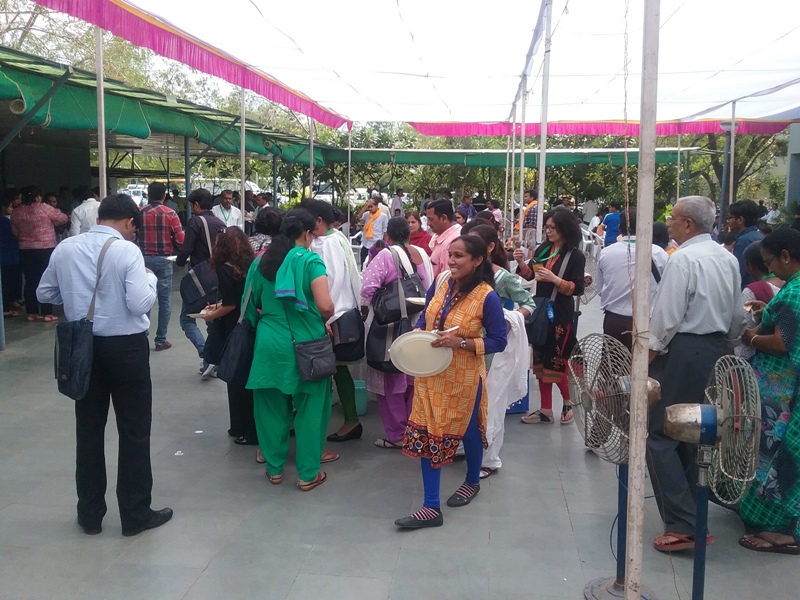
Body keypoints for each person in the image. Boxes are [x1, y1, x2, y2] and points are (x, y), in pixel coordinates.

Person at [36, 193, 172, 537]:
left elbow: (44, 294)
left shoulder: (65, 248)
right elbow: (139, 303)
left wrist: (76, 296)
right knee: (134, 431)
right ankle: (135, 514)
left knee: (88, 430)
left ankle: (90, 514)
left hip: (82, 348)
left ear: (99, 218)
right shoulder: (127, 251)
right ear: (129, 222)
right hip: (126, 350)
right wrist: (151, 279)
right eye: (134, 228)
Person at [647, 195, 746, 553]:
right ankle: (693, 514)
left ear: (688, 224)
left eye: (673, 218)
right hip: (715, 348)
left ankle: (683, 524)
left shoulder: (683, 258)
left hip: (684, 349)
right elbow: (737, 314)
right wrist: (728, 347)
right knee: (691, 432)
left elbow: (667, 315)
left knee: (660, 433)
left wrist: (647, 355)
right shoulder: (726, 257)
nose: (669, 224)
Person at [395, 235, 507, 528]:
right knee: (428, 432)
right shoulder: (442, 282)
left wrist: (461, 343)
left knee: (468, 431)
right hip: (431, 373)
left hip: (464, 378)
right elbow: (427, 316)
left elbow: (499, 341)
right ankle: (431, 507)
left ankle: (472, 481)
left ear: (477, 260)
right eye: (451, 255)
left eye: (459, 256)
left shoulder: (487, 296)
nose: (452, 261)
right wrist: (419, 335)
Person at [242, 209, 338, 490]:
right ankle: (308, 474)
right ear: (306, 233)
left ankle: (274, 469)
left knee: (270, 408)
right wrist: (320, 319)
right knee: (311, 408)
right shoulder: (310, 261)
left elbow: (249, 308)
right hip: (308, 344)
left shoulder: (261, 262)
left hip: (269, 344)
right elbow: (325, 306)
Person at [738, 228, 800, 554]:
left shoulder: (795, 292)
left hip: (783, 391)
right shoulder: (792, 287)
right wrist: (769, 311)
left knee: (775, 455)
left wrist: (751, 337)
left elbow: (781, 342)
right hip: (783, 388)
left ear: (786, 256)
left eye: (770, 261)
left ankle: (783, 529)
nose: (769, 269)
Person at [461, 222, 532, 478]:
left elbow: (529, 303)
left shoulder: (503, 278)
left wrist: (510, 319)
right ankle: (467, 446)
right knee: (469, 401)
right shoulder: (464, 277)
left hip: (493, 352)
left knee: (492, 404)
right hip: (467, 349)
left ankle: (489, 459)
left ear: (490, 247)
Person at [361, 217, 433, 449]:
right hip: (419, 324)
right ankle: (415, 429)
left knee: (390, 380)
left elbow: (367, 289)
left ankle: (397, 434)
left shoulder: (386, 255)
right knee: (412, 379)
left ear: (387, 235)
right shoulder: (423, 255)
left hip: (392, 326)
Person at [515, 208, 586, 425]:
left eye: (553, 228)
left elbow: (577, 288)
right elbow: (531, 274)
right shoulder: (544, 249)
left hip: (560, 313)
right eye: (547, 227)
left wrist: (555, 279)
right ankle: (546, 408)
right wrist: (521, 263)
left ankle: (567, 403)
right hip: (542, 309)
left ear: (565, 229)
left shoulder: (575, 255)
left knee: (556, 361)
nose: (548, 231)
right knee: (540, 360)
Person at [306, 200, 364, 443]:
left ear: (318, 220)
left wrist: (324, 315)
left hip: (333, 313)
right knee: (338, 369)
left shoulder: (327, 243)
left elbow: (332, 280)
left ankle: (350, 420)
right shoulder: (337, 237)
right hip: (342, 309)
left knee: (333, 368)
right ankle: (350, 419)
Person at [202, 227, 258, 445]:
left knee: (234, 377)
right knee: (246, 376)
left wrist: (210, 315)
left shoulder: (224, 269)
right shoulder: (248, 266)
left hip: (232, 327)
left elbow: (230, 304)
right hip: (249, 323)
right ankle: (247, 426)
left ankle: (239, 427)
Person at [595, 208, 668, 350]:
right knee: (645, 363)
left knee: (613, 362)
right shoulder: (659, 253)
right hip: (648, 323)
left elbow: (600, 288)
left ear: (619, 227)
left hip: (614, 322)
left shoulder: (606, 253)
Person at [176, 188, 226, 373]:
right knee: (212, 319)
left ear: (196, 204)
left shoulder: (196, 222)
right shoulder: (220, 223)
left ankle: (206, 354)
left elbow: (186, 249)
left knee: (186, 319)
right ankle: (213, 360)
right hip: (218, 277)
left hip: (199, 280)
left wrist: (179, 261)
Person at [137, 182, 185, 352]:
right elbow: (181, 240)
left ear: (148, 194)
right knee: (164, 301)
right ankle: (161, 339)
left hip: (142, 260)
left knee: (144, 299)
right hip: (164, 259)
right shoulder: (171, 213)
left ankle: (142, 337)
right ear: (164, 196)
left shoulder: (139, 213)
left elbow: (130, 235)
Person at [10, 185, 69, 322]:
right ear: (37, 197)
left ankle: (32, 312)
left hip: (25, 249)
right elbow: (62, 219)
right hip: (45, 248)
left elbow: (15, 233)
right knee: (46, 279)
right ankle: (47, 313)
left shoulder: (16, 212)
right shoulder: (44, 208)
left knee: (30, 280)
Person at [734, 241, 783, 361]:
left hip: (760, 361)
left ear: (750, 266)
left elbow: (745, 326)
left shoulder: (752, 291)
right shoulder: (790, 284)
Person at [728, 199, 765, 288]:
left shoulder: (743, 241)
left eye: (729, 218)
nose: (727, 221)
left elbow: (738, 272)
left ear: (740, 220)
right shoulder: (761, 236)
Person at [426, 198, 461, 278]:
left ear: (444, 218)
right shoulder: (444, 239)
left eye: (431, 219)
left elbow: (448, 279)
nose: (428, 223)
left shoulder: (449, 244)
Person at [1, 196, 23, 316]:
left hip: (6, 256)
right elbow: (17, 234)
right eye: (10, 206)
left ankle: (7, 304)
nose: (12, 209)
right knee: (7, 284)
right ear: (3, 208)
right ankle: (5, 309)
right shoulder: (6, 222)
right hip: (8, 257)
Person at [357, 196, 389, 266]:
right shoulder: (367, 214)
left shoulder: (383, 216)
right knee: (363, 263)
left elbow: (385, 231)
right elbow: (359, 216)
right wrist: (365, 206)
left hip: (376, 244)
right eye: (369, 207)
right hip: (366, 243)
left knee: (375, 265)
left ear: (377, 205)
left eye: (371, 206)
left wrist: (385, 245)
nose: (370, 209)